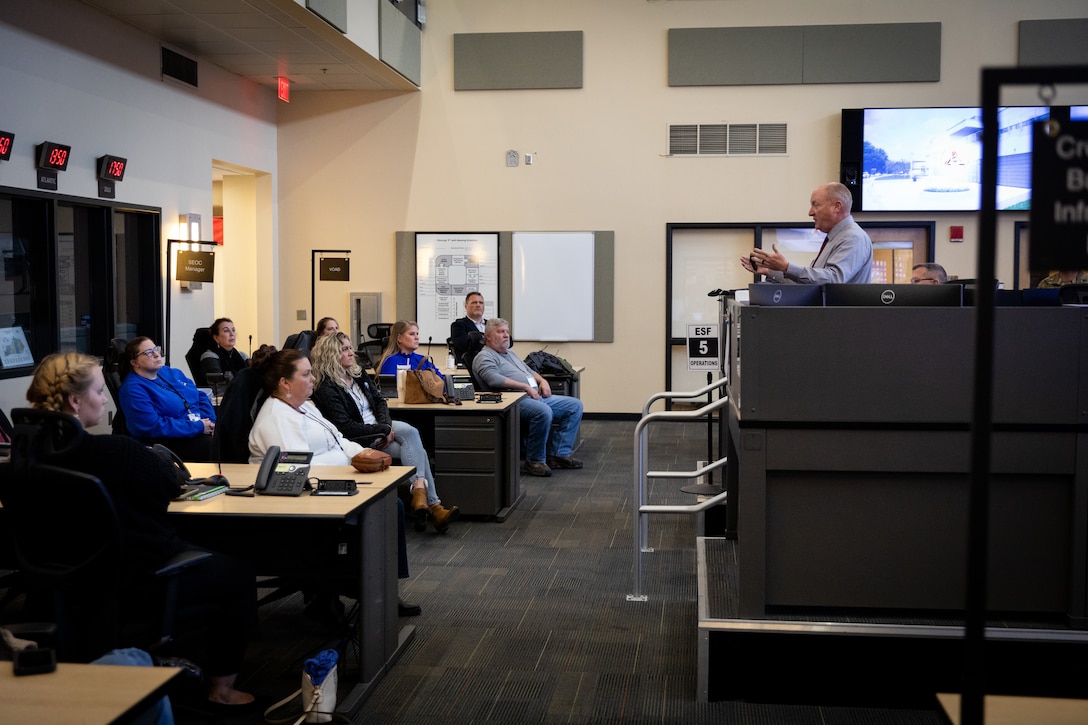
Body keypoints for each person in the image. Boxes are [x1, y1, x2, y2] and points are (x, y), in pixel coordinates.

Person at [25, 352, 257, 710]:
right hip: (136, 581)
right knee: (239, 574)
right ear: (74, 400)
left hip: (56, 586)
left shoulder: (24, 460)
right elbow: (167, 488)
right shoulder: (119, 452)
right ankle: (221, 691)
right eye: (100, 391)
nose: (105, 400)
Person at [247, 345, 421, 615]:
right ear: (284, 383)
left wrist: (361, 453)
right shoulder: (276, 419)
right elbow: (298, 472)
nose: (313, 379)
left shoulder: (305, 407)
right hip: (301, 506)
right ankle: (363, 588)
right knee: (385, 510)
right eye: (305, 375)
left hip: (330, 487)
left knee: (392, 505)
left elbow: (339, 440)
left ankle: (383, 588)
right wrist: (348, 468)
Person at [310, 332, 459, 533]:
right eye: (344, 349)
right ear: (330, 354)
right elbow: (346, 426)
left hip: (379, 425)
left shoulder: (357, 373)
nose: (351, 353)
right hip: (361, 436)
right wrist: (383, 430)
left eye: (350, 347)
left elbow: (379, 400)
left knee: (410, 432)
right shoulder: (327, 387)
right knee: (419, 452)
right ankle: (433, 506)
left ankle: (422, 495)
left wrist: (385, 426)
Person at [472, 318, 584, 477]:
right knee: (543, 411)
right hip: (513, 399)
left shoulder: (509, 353)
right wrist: (525, 387)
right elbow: (493, 379)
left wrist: (542, 381)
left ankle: (559, 454)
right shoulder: (485, 356)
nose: (506, 335)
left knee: (575, 406)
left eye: (507, 332)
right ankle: (534, 460)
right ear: (488, 336)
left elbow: (528, 370)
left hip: (533, 395)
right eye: (500, 332)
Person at [741, 182, 873, 284]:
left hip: (841, 319)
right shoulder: (835, 238)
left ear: (836, 207)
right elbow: (810, 286)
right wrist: (770, 271)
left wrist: (787, 268)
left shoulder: (853, 238)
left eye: (816, 205)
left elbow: (832, 280)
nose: (810, 212)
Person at [119, 337, 216, 462]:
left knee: (233, 435)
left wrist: (210, 423)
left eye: (156, 349)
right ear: (134, 363)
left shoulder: (169, 372)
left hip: (195, 429)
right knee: (218, 447)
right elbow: (152, 426)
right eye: (148, 352)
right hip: (166, 442)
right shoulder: (133, 389)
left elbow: (199, 396)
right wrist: (197, 427)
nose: (156, 354)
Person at [200, 317, 249, 383]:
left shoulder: (242, 356)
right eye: (226, 331)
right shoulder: (210, 356)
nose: (232, 334)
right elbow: (218, 384)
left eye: (233, 330)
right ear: (216, 338)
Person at [450, 291, 487, 362]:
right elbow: (464, 346)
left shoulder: (491, 325)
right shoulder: (459, 325)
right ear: (466, 306)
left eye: (481, 303)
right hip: (471, 365)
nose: (478, 305)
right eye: (474, 302)